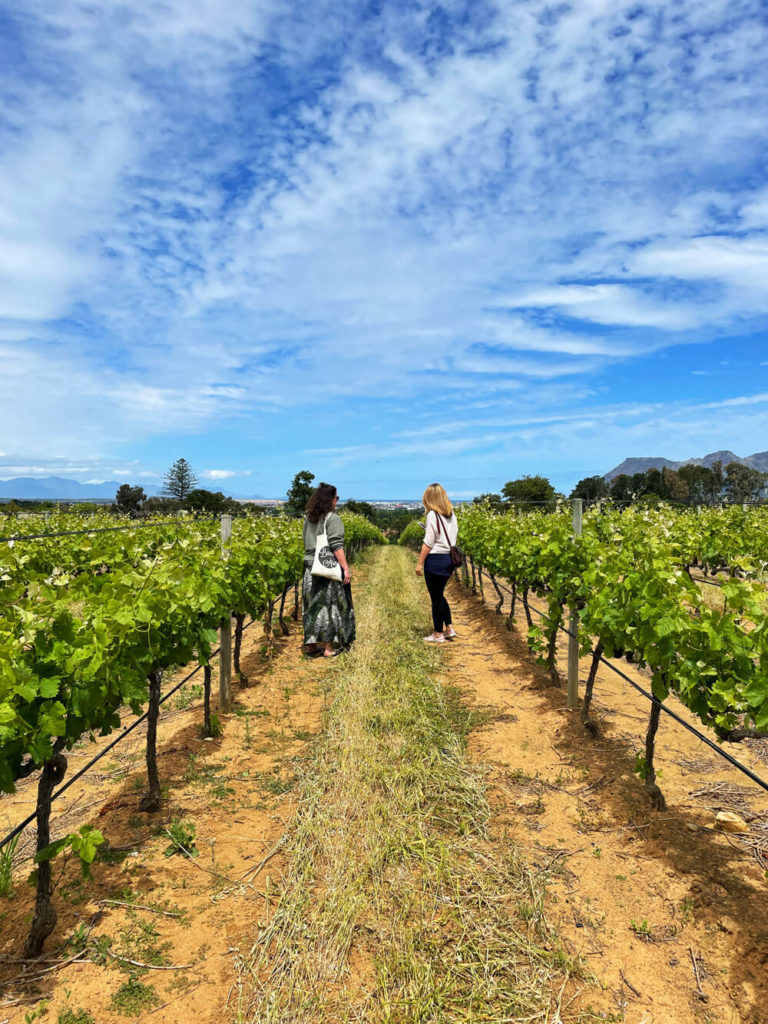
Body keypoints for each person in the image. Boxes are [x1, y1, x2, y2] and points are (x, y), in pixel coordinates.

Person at [302, 482, 355, 657]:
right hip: (327, 565)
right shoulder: (332, 518)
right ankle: (328, 648)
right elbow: (336, 545)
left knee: (312, 605)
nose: (337, 501)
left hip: (310, 565)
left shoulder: (309, 518)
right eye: (336, 497)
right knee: (330, 605)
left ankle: (310, 646)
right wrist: (345, 568)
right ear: (330, 499)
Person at [415, 482, 458, 643]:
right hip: (448, 559)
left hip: (435, 560)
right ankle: (449, 628)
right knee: (440, 595)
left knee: (435, 598)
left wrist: (420, 563)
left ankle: (438, 634)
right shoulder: (452, 515)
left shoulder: (432, 515)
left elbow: (428, 543)